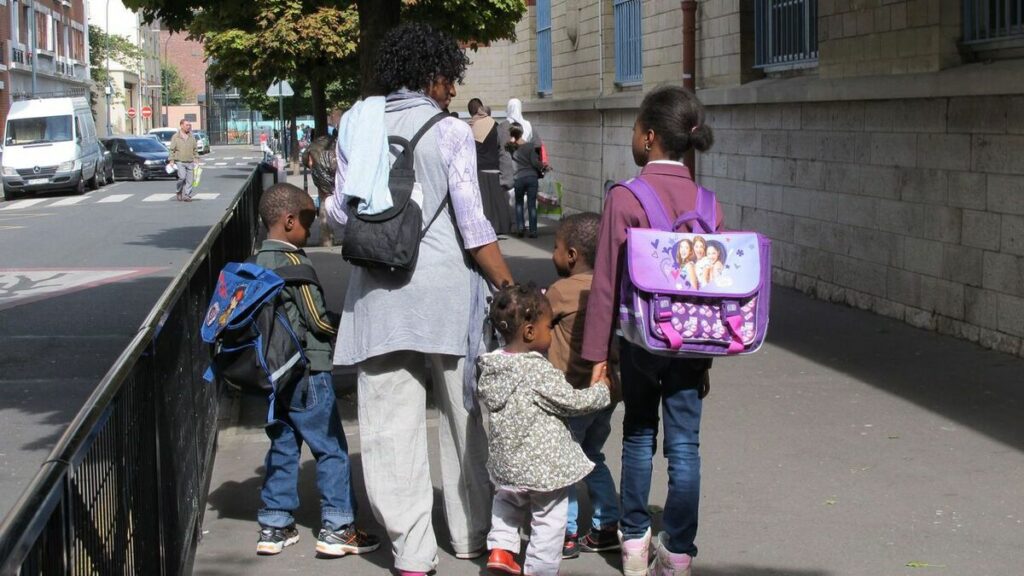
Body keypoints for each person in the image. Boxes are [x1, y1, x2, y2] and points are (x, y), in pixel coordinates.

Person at [322, 23, 514, 576]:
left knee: (386, 426)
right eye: (449, 79)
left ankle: (411, 551)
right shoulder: (450, 132)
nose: (453, 90)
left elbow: (339, 213)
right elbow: (474, 228)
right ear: (430, 76)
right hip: (447, 299)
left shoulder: (356, 123)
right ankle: (473, 535)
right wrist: (508, 285)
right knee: (465, 419)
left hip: (377, 298)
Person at [581, 85, 719, 576]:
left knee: (638, 434)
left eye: (637, 130)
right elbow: (710, 291)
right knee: (686, 445)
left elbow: (605, 282)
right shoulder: (707, 201)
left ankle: (635, 542)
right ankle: (678, 551)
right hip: (691, 341)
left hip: (639, 339)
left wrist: (596, 353)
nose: (634, 138)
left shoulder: (625, 196)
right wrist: (704, 359)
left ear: (651, 136)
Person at [251, 183, 380, 559]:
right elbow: (318, 321)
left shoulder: (256, 262)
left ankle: (274, 524)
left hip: (275, 374)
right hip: (309, 370)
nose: (308, 230)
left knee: (283, 444)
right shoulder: (295, 264)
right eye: (306, 222)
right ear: (289, 222)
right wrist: (349, 326)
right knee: (331, 450)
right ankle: (338, 525)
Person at [477, 282, 611, 576]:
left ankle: (501, 548)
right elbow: (572, 403)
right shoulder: (537, 370)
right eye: (548, 327)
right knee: (549, 518)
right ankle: (539, 569)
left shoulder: (492, 367)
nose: (551, 332)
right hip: (543, 469)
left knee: (506, 502)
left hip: (507, 465)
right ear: (529, 332)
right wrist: (601, 390)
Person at [546, 213, 623, 561]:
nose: (554, 254)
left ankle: (567, 532)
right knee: (591, 456)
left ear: (573, 255)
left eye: (556, 248)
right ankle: (607, 523)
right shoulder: (611, 288)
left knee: (562, 462)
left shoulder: (562, 291)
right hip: (604, 394)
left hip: (571, 395)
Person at [468, 98, 513, 235]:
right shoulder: (496, 125)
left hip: (477, 170)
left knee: (483, 205)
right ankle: (499, 229)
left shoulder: (469, 127)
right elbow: (503, 152)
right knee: (496, 203)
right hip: (494, 168)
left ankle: (484, 231)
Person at [508, 123, 546, 238]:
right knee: (531, 205)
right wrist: (544, 167)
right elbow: (535, 162)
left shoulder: (510, 147)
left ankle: (520, 227)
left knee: (518, 204)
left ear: (511, 134)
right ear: (522, 132)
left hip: (518, 178)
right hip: (531, 177)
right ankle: (533, 231)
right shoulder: (530, 146)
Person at [306, 135, 337, 247]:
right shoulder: (334, 146)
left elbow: (309, 162)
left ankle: (326, 239)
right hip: (333, 177)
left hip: (322, 179)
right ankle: (328, 237)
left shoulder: (313, 149)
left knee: (324, 204)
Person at [167, 119, 198, 202]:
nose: (189, 127)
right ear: (181, 125)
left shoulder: (192, 136)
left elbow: (195, 149)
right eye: (187, 125)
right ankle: (179, 191)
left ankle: (187, 195)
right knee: (182, 177)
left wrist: (196, 158)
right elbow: (171, 149)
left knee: (190, 180)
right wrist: (171, 160)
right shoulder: (176, 137)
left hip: (190, 161)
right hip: (180, 161)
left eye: (189, 125)